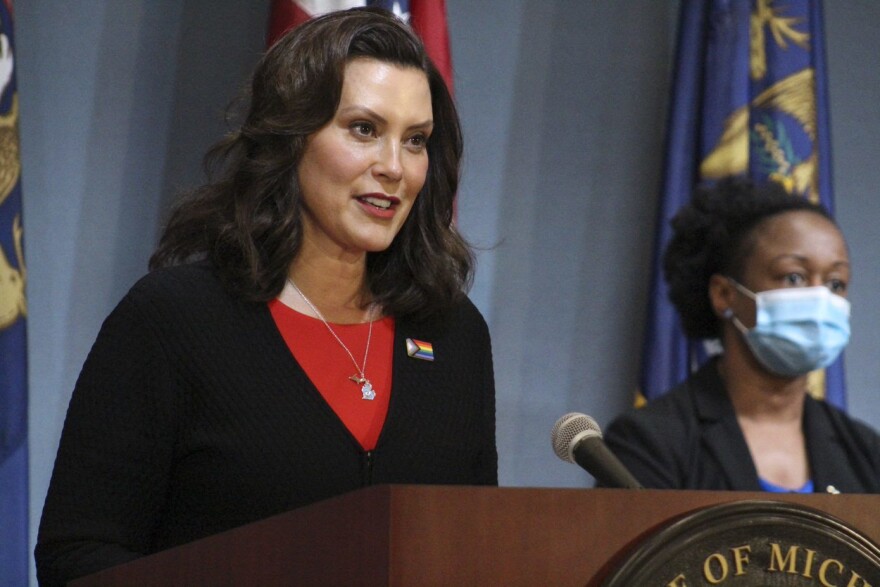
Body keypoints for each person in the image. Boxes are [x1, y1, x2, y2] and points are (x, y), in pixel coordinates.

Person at [35, 8, 497, 585]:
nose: (393, 168)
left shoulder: (455, 337)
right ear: (292, 136)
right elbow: (78, 554)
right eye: (363, 130)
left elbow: (478, 554)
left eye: (416, 141)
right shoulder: (174, 320)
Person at [604, 178, 880, 492]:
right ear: (724, 295)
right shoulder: (651, 442)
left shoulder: (867, 454)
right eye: (794, 277)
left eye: (835, 284)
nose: (819, 299)